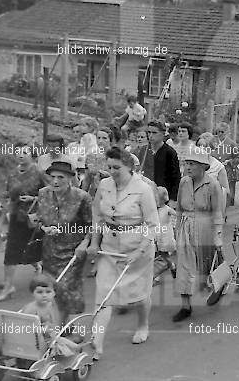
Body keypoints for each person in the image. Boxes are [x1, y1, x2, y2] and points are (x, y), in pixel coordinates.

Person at [89, 147, 159, 357]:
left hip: (137, 247)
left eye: (117, 167)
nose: (112, 171)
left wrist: (139, 250)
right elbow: (97, 216)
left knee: (139, 295)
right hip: (110, 247)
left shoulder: (143, 189)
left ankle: (142, 325)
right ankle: (96, 343)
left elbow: (153, 224)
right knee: (103, 295)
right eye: (109, 166)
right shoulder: (104, 185)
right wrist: (94, 243)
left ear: (129, 166)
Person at [37, 160, 92, 324]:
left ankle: (59, 326)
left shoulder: (82, 197)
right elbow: (39, 219)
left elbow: (92, 225)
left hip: (72, 251)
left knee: (65, 287)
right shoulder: (43, 193)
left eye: (60, 177)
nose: (55, 181)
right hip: (49, 251)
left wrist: (85, 244)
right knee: (51, 289)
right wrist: (44, 228)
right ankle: (60, 325)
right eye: (52, 177)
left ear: (70, 178)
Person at [172, 149, 224, 321]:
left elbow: (217, 212)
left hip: (205, 228)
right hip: (186, 228)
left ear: (202, 166)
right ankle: (185, 306)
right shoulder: (183, 182)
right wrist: (176, 228)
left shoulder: (213, 185)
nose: (187, 167)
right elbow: (179, 208)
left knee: (207, 264)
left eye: (191, 164)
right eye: (186, 163)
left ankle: (218, 284)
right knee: (184, 266)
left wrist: (218, 235)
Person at [0, 146, 48, 302]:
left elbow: (51, 192)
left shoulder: (39, 172)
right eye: (18, 153)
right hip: (17, 216)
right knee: (11, 250)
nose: (20, 155)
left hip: (34, 217)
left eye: (24, 153)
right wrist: (3, 218)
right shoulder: (12, 173)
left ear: (32, 156)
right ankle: (8, 286)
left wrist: (34, 198)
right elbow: (8, 196)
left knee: (35, 247)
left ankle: (41, 274)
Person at [21, 274, 82, 356]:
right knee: (60, 341)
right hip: (39, 341)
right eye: (39, 292)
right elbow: (27, 328)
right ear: (33, 293)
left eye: (48, 292)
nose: (44, 295)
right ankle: (74, 350)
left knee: (61, 339)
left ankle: (75, 347)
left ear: (54, 293)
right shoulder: (31, 309)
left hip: (46, 337)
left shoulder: (50, 305)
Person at [139, 121, 181, 206]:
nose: (151, 136)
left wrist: (173, 199)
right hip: (144, 194)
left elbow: (176, 178)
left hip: (163, 197)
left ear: (163, 134)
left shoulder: (170, 152)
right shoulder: (143, 150)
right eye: (149, 132)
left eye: (154, 133)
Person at [153, 187, 176, 287]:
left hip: (165, 237)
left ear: (162, 199)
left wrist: (175, 224)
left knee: (163, 255)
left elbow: (176, 215)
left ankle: (156, 276)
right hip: (157, 236)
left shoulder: (167, 209)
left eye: (156, 198)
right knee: (161, 256)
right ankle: (172, 267)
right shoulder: (155, 210)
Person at [214, 123, 239, 208]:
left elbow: (238, 157)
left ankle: (228, 206)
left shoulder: (232, 144)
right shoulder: (213, 142)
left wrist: (230, 162)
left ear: (227, 132)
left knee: (229, 190)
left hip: (229, 171)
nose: (220, 134)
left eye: (222, 131)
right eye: (218, 132)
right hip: (216, 171)